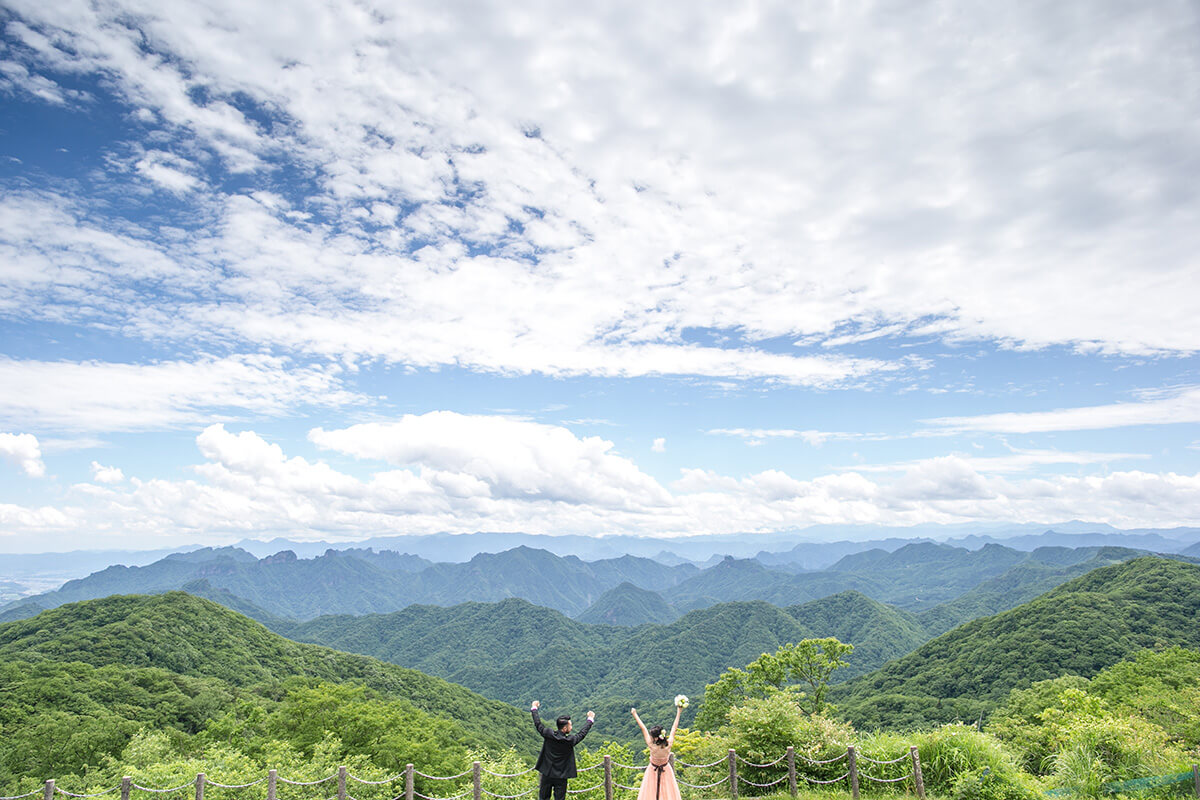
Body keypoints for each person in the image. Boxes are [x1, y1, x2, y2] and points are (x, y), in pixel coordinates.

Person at [531, 700, 595, 800]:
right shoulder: (569, 741)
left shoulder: (548, 734)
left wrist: (534, 708)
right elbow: (582, 734)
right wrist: (590, 719)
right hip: (561, 775)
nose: (571, 727)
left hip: (547, 772)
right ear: (565, 728)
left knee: (543, 798)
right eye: (570, 725)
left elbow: (538, 724)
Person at [631, 704, 682, 800]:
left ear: (655, 737)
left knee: (650, 793)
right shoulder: (668, 744)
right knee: (668, 792)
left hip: (652, 771)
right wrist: (679, 712)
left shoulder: (651, 745)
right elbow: (674, 728)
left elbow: (643, 728)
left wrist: (635, 714)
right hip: (666, 770)